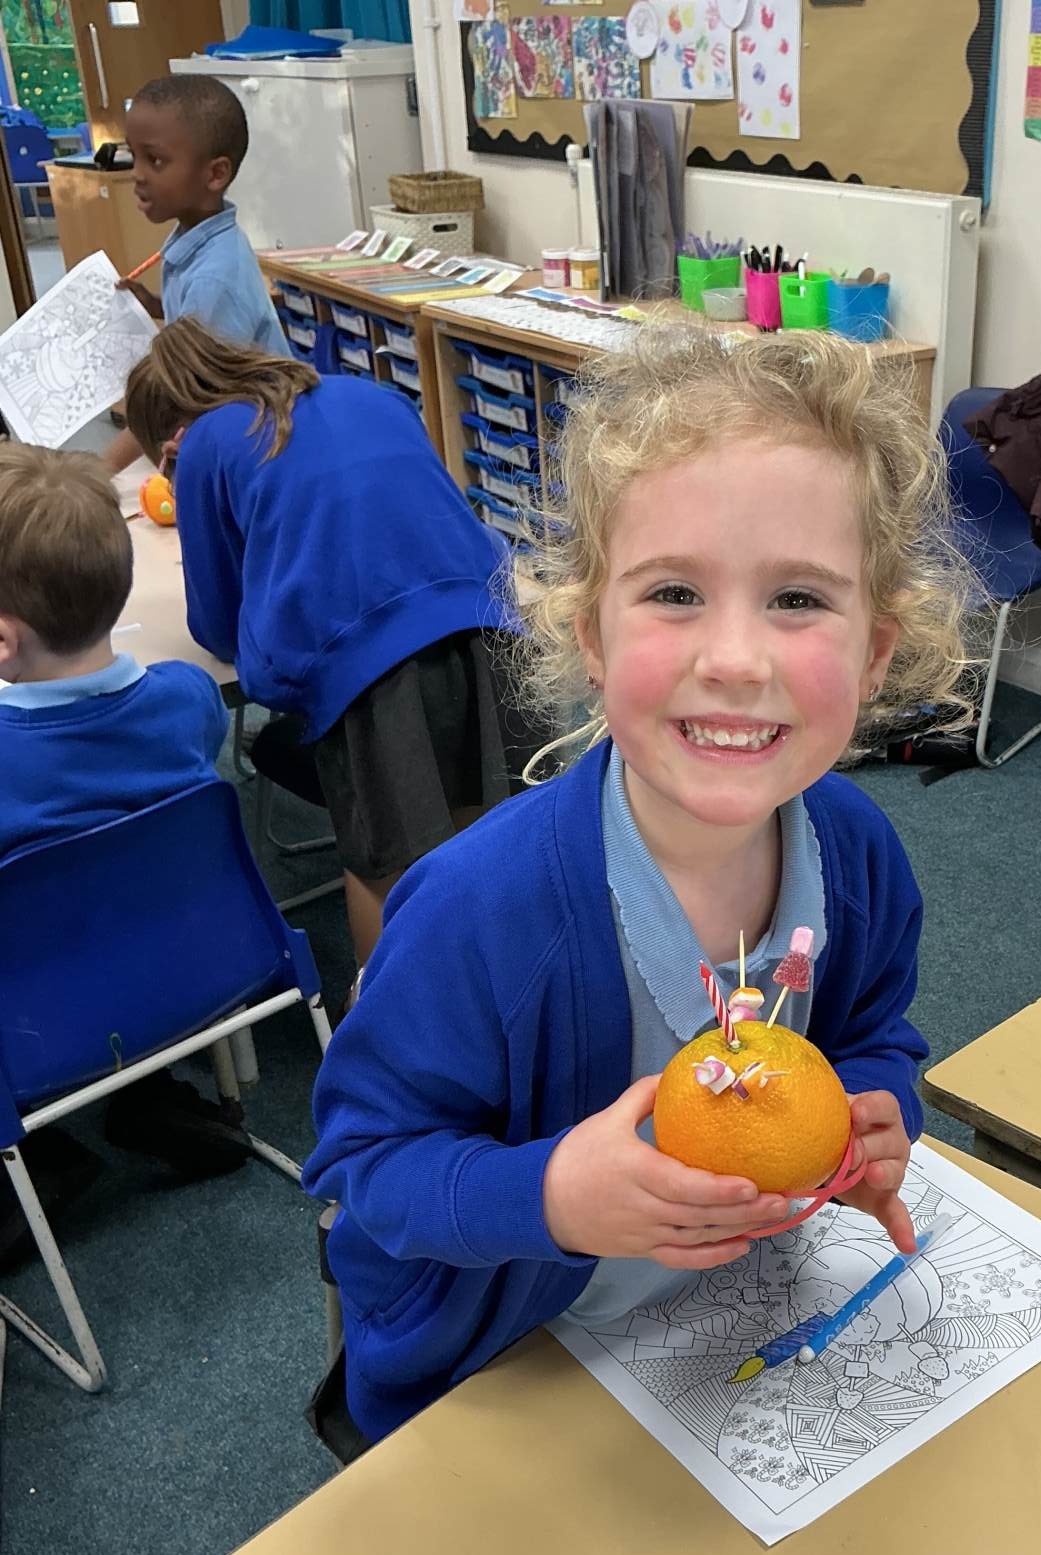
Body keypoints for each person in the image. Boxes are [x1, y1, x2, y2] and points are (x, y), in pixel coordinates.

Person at [301, 329, 973, 1446]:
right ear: (593, 639)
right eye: (674, 592)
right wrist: (551, 1195)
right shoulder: (476, 911)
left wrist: (872, 1111)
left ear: (872, 653)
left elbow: (874, 1034)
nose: (736, 659)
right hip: (510, 1356)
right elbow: (366, 1164)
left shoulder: (857, 858)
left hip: (724, 1327)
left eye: (798, 598)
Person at [123, 318, 524, 966]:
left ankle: (384, 1015)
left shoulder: (205, 444)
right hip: (492, 626)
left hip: (370, 667)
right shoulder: (369, 394)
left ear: (172, 439)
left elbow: (216, 628)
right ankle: (502, 984)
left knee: (382, 863)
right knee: (488, 831)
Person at [0, 441, 242, 1214]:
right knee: (119, 873)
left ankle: (29, 1168)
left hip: (34, 1021)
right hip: (190, 974)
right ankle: (150, 1094)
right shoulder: (188, 698)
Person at [106, 74, 288, 477]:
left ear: (215, 174)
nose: (138, 174)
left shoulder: (213, 279)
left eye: (155, 160)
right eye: (134, 156)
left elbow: (181, 393)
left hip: (261, 443)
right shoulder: (195, 240)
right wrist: (155, 305)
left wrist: (102, 466)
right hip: (230, 420)